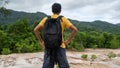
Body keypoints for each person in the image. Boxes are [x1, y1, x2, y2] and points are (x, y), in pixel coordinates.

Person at [34, 3, 77, 68]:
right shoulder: (63, 19)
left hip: (48, 46)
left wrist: (41, 42)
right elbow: (75, 29)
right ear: (60, 10)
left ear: (52, 10)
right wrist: (67, 41)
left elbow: (35, 30)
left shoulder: (46, 19)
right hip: (60, 46)